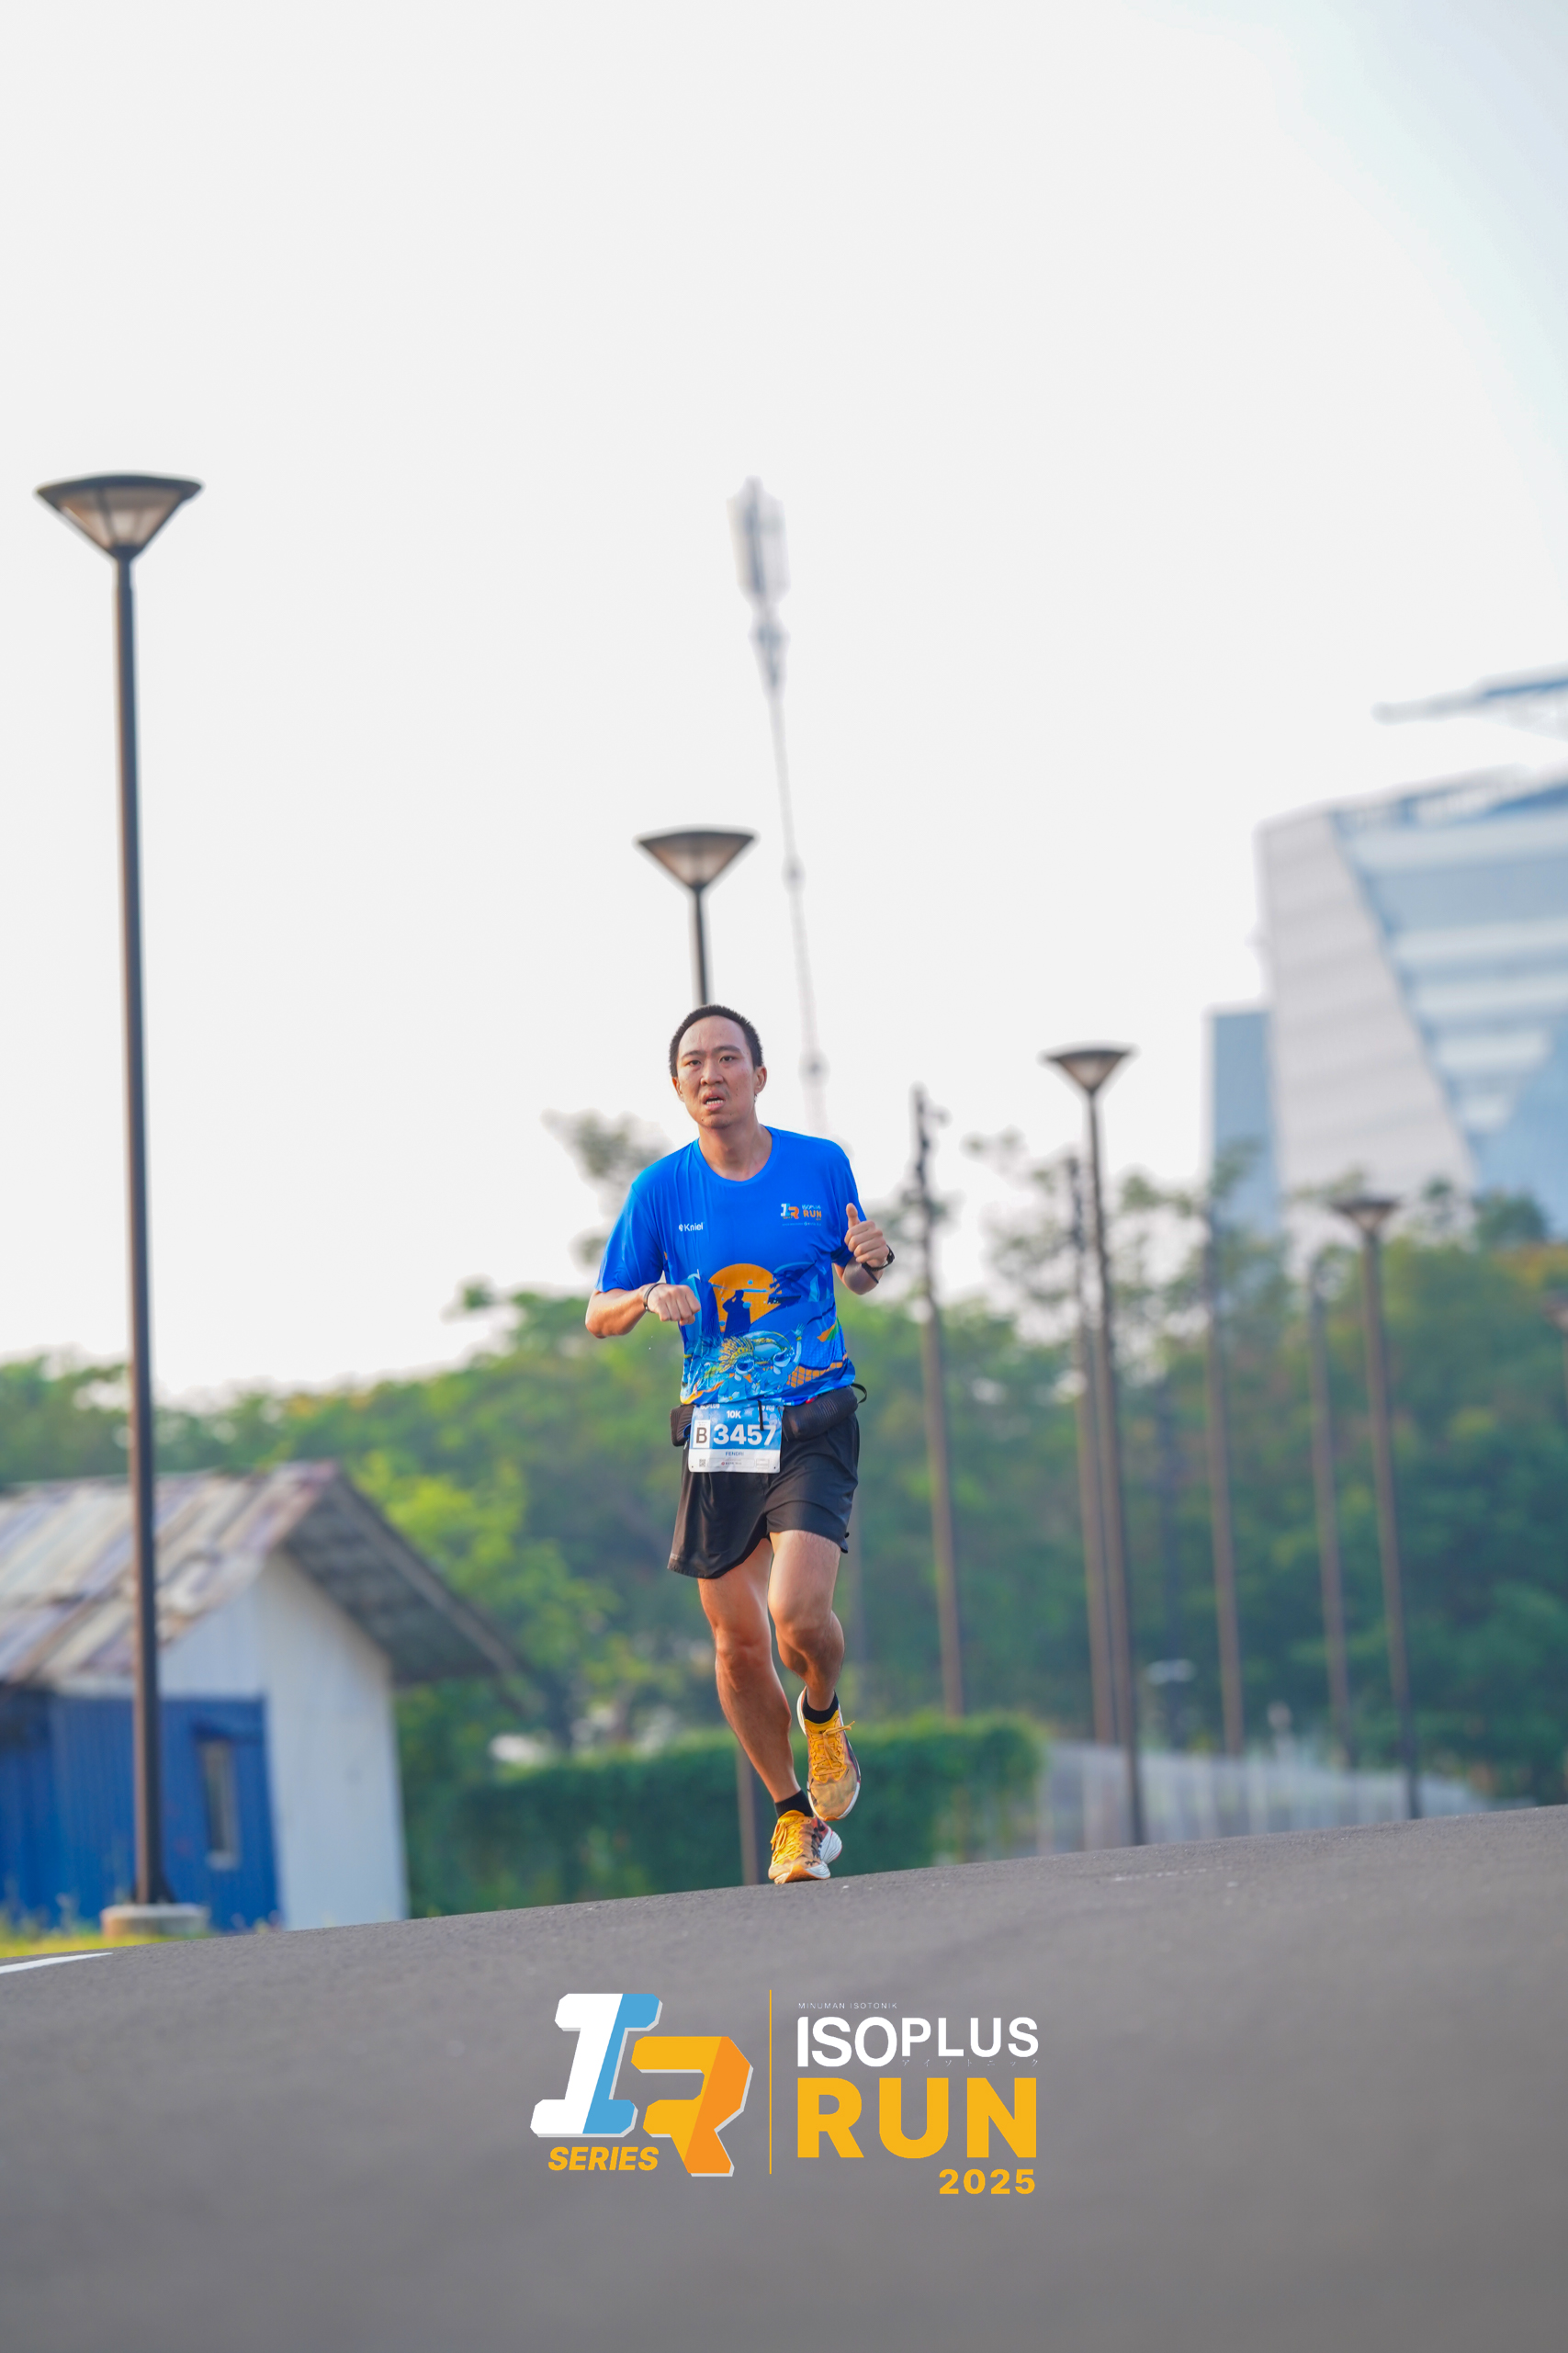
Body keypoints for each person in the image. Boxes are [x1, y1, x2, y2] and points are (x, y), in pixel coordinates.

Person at [587, 1004, 894, 1884]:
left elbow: (856, 1272)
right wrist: (646, 1297)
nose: (710, 1074)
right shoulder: (659, 1191)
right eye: (694, 1063)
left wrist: (872, 1259)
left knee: (796, 1615)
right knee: (735, 1643)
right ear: (677, 1085)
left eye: (727, 1058)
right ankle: (794, 1819)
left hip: (812, 1415)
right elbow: (598, 1312)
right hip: (720, 1428)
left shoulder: (817, 1163)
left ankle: (822, 1715)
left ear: (758, 1076)